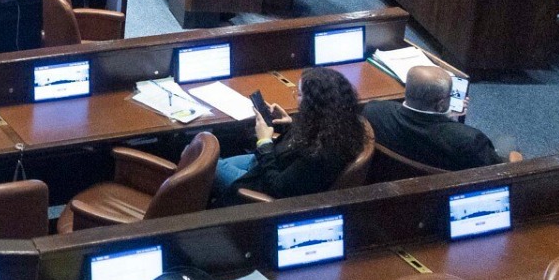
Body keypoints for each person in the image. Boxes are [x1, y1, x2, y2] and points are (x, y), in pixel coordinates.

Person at [214, 67, 364, 204]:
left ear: (312, 103)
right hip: (268, 161)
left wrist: (264, 143)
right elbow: (301, 142)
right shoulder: (338, 126)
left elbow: (277, 187)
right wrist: (290, 123)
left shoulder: (319, 155)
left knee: (209, 165)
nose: (295, 97)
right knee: (213, 159)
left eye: (298, 94)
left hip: (261, 180)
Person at [364, 64, 505, 172]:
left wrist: (448, 120)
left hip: (389, 180)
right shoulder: (469, 140)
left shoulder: (374, 112)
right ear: (441, 104)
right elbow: (495, 172)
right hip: (443, 195)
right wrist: (450, 123)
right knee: (507, 143)